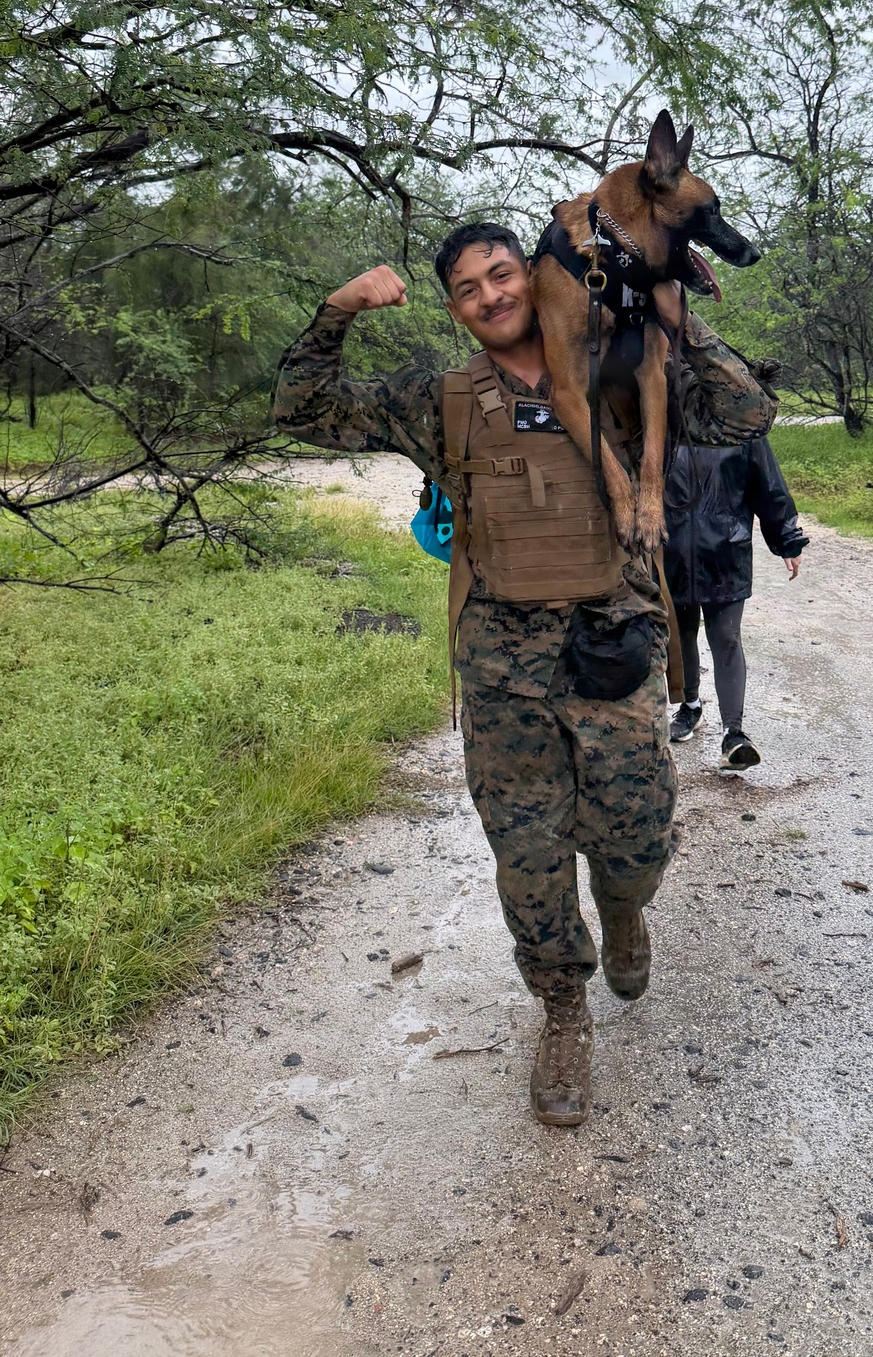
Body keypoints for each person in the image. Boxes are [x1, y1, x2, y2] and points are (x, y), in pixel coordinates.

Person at [272, 225, 775, 1128]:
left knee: (637, 840)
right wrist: (340, 308)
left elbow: (745, 417)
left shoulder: (615, 375)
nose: (490, 295)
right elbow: (301, 409)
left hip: (611, 652)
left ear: (531, 276)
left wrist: (676, 317)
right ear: (457, 310)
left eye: (501, 273)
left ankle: (624, 912)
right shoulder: (443, 400)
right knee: (530, 864)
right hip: (501, 674)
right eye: (467, 289)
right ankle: (563, 1014)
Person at [663, 436, 808, 770]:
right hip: (670, 553)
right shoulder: (662, 420)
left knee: (726, 637)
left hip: (726, 552)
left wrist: (787, 539)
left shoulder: (740, 429)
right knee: (681, 634)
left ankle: (735, 734)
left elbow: (769, 487)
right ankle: (690, 705)